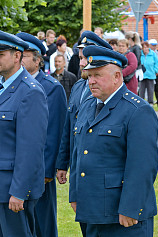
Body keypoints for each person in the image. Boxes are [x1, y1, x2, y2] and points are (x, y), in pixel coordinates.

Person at [71, 44, 158, 236]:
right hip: (92, 209)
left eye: (98, 75)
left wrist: (130, 207)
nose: (91, 81)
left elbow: (142, 166)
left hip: (123, 215)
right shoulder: (87, 106)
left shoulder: (137, 111)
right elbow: (79, 152)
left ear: (117, 76)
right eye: (89, 75)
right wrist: (75, 194)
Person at [0, 30, 49, 237]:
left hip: (13, 188)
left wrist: (19, 191)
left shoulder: (30, 91)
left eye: (1, 54)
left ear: (17, 56)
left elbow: (31, 149)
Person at [55, 30, 113, 237]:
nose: (80, 63)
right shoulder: (79, 86)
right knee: (83, 222)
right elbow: (69, 127)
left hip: (99, 170)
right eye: (80, 57)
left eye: (85, 58)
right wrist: (63, 163)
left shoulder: (110, 89)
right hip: (78, 167)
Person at [17, 32, 67, 237]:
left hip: (40, 170)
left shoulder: (51, 88)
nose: (19, 59)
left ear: (38, 61)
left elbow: (55, 130)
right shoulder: (15, 85)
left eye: (25, 56)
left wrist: (48, 170)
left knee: (43, 223)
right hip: (19, 167)